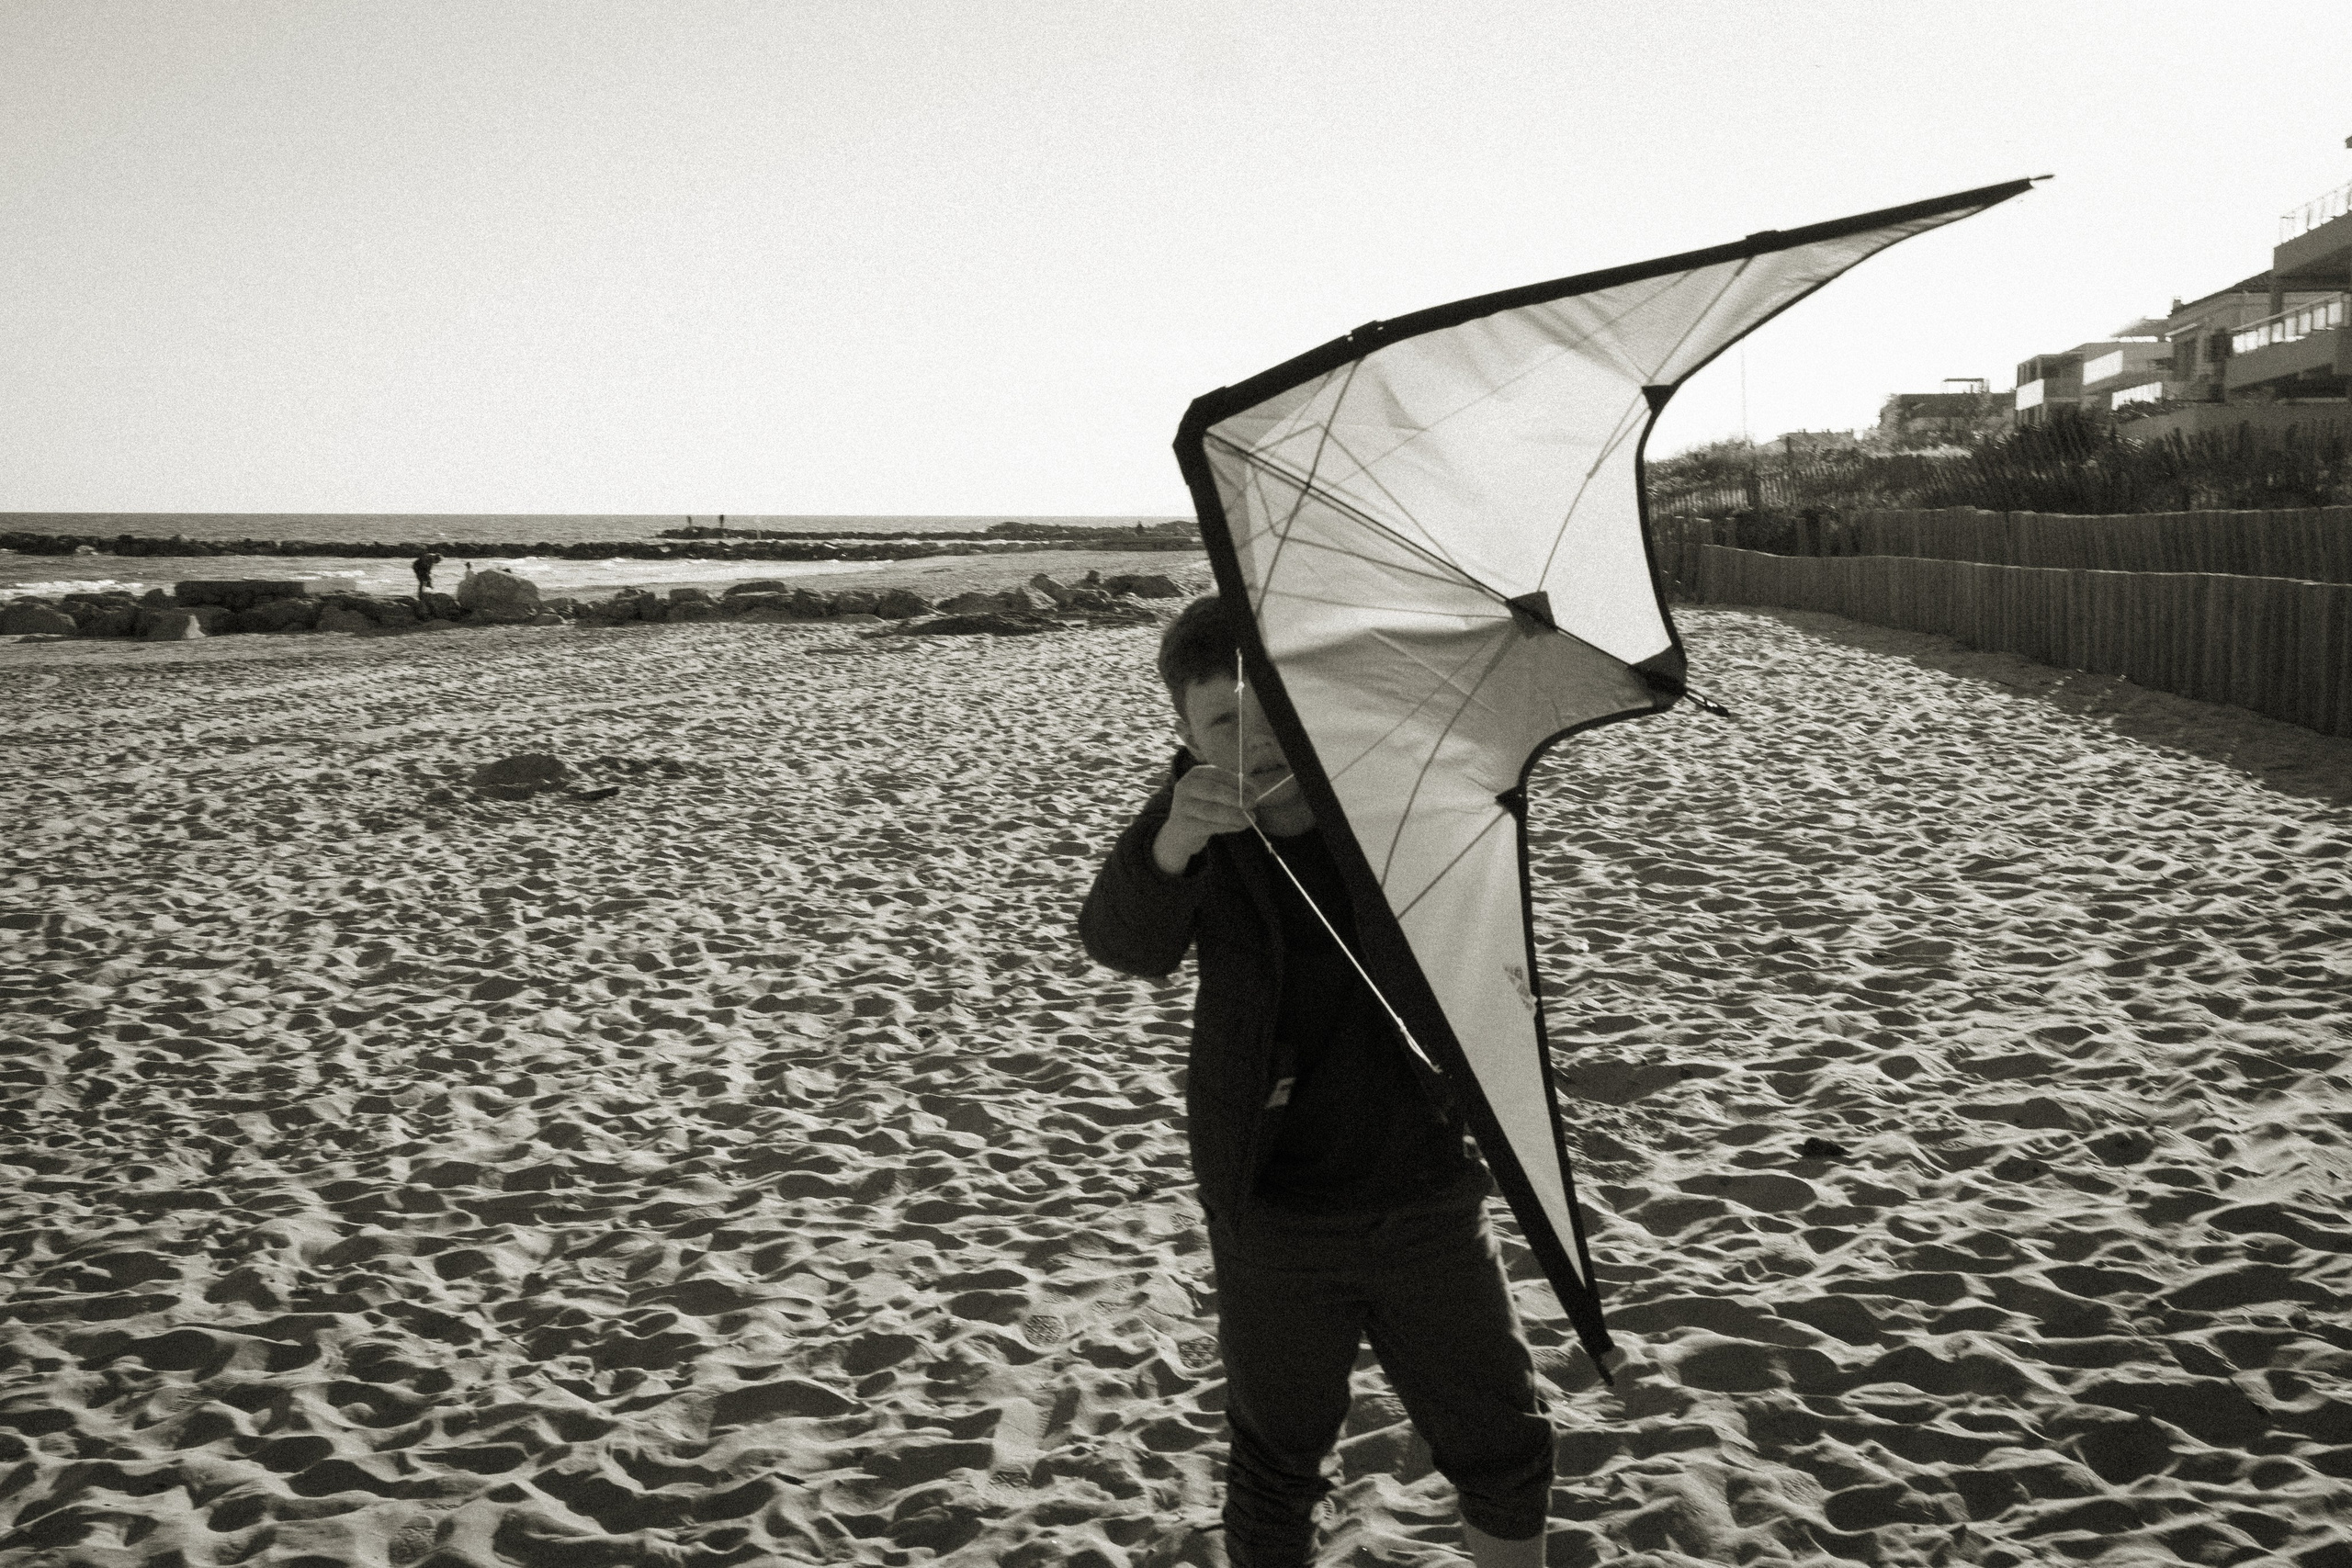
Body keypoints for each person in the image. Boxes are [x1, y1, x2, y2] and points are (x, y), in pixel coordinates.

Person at [1080, 594, 1553, 1568]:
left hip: (1426, 1190)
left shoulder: (1390, 795)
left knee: (1501, 1446)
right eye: (1221, 724)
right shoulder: (1192, 816)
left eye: (1273, 713)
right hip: (1272, 1210)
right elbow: (1123, 943)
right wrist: (1174, 843)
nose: (1251, 745)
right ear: (1184, 731)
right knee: (1275, 1463)